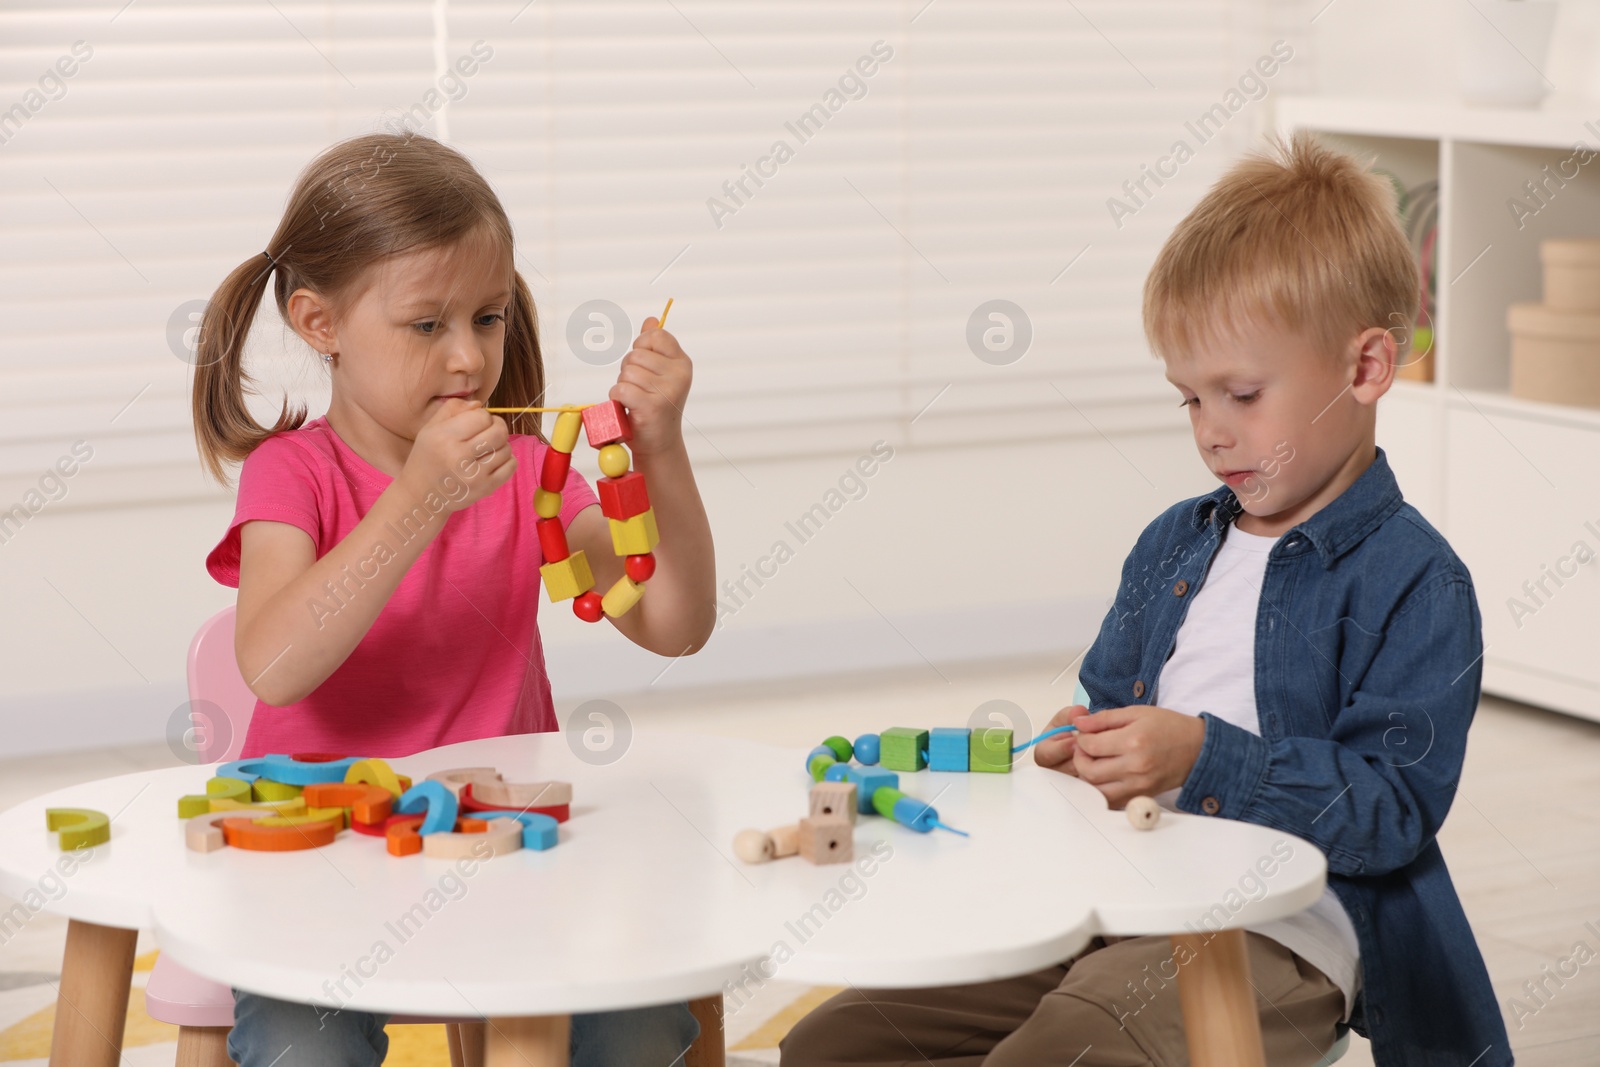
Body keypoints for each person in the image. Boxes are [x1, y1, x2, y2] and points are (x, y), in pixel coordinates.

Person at [780, 131, 1510, 1066]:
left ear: (1367, 368)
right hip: (1117, 897)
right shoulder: (1176, 542)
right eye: (1190, 400)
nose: (1212, 432)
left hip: (1282, 931)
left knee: (1070, 1046)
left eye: (1242, 393)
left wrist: (1206, 755)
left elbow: (1389, 810)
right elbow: (1111, 706)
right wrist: (1085, 744)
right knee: (832, 1045)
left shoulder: (1417, 582)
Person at [193, 129, 716, 1067]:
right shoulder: (291, 474)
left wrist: (661, 450)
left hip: (509, 848)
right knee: (302, 1048)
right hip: (319, 869)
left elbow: (675, 624)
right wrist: (419, 502)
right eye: (427, 325)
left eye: (490, 316)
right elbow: (273, 667)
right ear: (321, 325)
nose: (469, 358)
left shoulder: (526, 474)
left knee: (640, 1021)